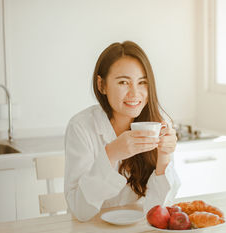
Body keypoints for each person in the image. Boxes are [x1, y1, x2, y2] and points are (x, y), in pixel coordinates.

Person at [64, 41, 181, 222]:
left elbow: (158, 211)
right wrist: (111, 154)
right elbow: (80, 211)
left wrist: (164, 157)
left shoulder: (159, 124)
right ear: (102, 85)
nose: (135, 93)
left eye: (142, 82)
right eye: (123, 82)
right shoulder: (81, 127)